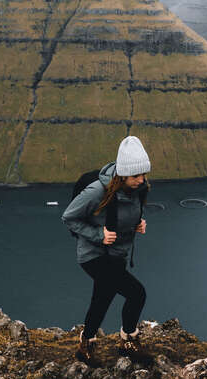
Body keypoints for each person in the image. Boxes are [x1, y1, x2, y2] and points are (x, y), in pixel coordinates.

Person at [62, 135, 150, 363]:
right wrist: (97, 235)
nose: (141, 180)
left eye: (143, 174)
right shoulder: (96, 191)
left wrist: (138, 223)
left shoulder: (136, 188)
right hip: (94, 256)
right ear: (122, 174)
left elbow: (127, 213)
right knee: (136, 293)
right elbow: (69, 217)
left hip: (116, 255)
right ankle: (128, 340)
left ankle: (86, 344)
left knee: (102, 299)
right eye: (136, 176)